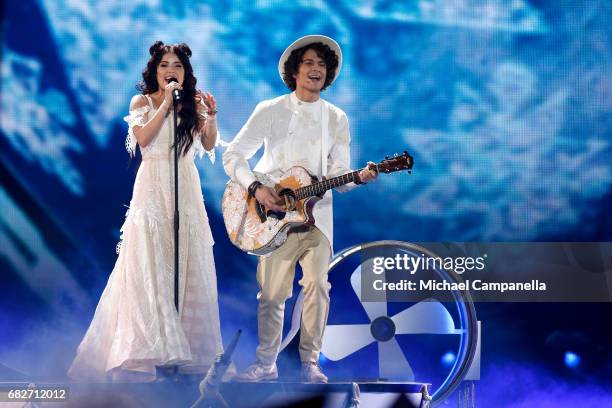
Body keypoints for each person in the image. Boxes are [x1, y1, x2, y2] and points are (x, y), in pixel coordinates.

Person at [222, 35, 377, 383]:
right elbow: (233, 155)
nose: (316, 70)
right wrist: (257, 188)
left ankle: (310, 363)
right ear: (294, 70)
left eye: (322, 65)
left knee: (318, 286)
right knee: (273, 294)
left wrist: (360, 178)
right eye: (308, 63)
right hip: (273, 217)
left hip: (317, 218)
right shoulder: (270, 109)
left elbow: (340, 175)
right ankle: (265, 365)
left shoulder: (336, 118)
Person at [68, 41, 223, 382]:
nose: (172, 70)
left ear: (186, 72)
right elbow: (143, 138)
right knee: (150, 263)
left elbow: (209, 144)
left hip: (185, 187)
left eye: (178, 66)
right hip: (153, 186)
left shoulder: (192, 104)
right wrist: (165, 103)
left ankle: (183, 349)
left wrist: (209, 117)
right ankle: (144, 350)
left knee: (185, 260)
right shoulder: (143, 102)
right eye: (166, 64)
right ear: (155, 70)